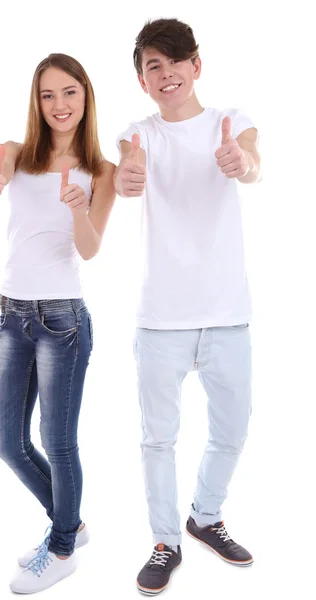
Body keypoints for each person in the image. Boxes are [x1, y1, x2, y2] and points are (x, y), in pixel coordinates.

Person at [114, 18, 261, 595]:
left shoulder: (233, 122)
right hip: (160, 318)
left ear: (195, 65)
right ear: (144, 81)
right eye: (153, 65)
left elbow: (251, 160)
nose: (166, 72)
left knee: (233, 429)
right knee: (158, 440)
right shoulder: (140, 133)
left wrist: (240, 164)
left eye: (175, 60)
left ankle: (205, 515)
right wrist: (128, 176)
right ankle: (165, 541)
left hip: (227, 312)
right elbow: (128, 168)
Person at [0, 53, 115, 594]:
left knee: (57, 442)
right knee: (8, 443)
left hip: (63, 320)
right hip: (12, 314)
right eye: (48, 95)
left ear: (86, 97)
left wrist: (80, 209)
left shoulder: (101, 170)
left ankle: (61, 549)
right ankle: (71, 524)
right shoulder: (17, 153)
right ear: (37, 103)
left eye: (70, 93)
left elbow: (91, 249)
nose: (59, 105)